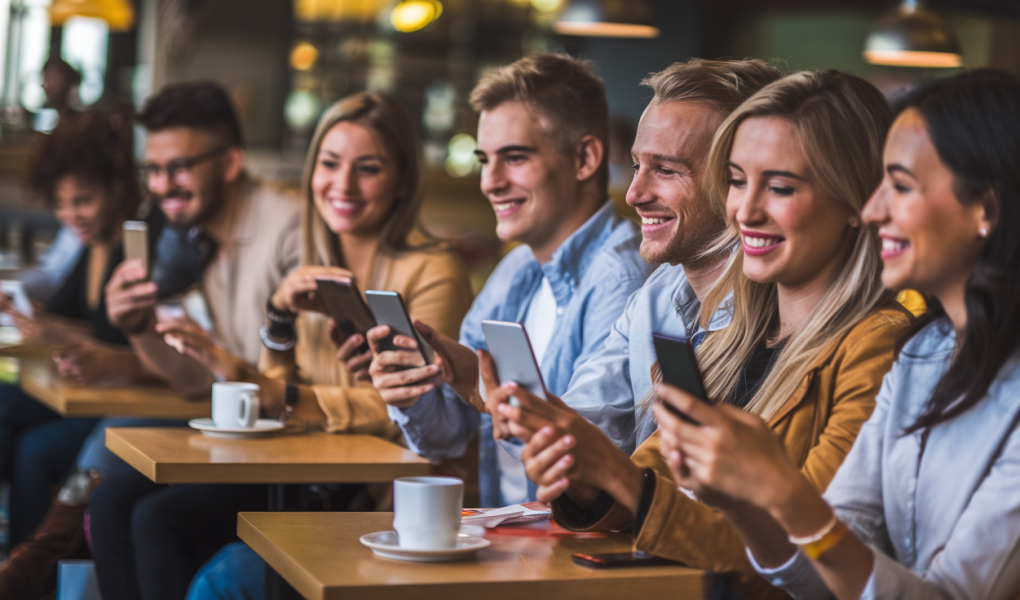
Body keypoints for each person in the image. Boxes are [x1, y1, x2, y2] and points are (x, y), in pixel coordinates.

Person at [496, 70, 919, 597]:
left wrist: (621, 478)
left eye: (781, 186)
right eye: (737, 181)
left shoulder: (881, 347)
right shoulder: (730, 331)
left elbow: (805, 561)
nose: (745, 209)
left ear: (861, 202)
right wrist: (587, 480)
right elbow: (651, 480)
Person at [655, 70, 1020, 600]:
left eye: (899, 186)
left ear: (985, 208)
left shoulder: (892, 344)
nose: (873, 210)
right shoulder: (923, 356)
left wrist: (780, 490)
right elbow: (830, 569)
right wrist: (740, 496)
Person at [140, 91, 469, 600]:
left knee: (217, 579)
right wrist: (279, 317)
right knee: (152, 517)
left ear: (403, 179)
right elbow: (286, 391)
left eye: (368, 168)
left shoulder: (433, 271)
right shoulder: (312, 265)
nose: (343, 184)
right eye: (330, 164)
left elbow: (410, 411)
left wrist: (280, 395)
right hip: (316, 490)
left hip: (392, 506)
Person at [367, 53, 653, 507]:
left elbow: (584, 462)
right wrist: (411, 391)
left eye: (514, 158)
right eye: (485, 160)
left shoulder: (620, 280)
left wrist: (483, 394)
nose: (490, 182)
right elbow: (448, 436)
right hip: (509, 535)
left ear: (585, 158)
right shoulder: (516, 269)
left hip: (566, 551)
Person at [83, 81, 302, 600]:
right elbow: (196, 382)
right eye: (153, 170)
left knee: (155, 516)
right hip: (247, 444)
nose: (162, 186)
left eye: (178, 167)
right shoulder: (204, 234)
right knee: (111, 500)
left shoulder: (287, 228)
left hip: (295, 456)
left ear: (229, 163)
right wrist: (136, 326)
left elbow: (296, 383)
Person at [553, 58, 781, 454]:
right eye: (638, 165)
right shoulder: (656, 293)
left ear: (740, 181)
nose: (633, 195)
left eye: (667, 170)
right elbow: (585, 426)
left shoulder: (781, 316)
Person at [0, 112, 154, 548]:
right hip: (86, 389)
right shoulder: (94, 246)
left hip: (123, 398)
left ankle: (26, 572)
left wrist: (52, 329)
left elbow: (122, 345)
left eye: (82, 201)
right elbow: (75, 322)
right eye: (62, 204)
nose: (70, 215)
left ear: (118, 190)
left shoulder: (134, 249)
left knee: (35, 448)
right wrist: (35, 319)